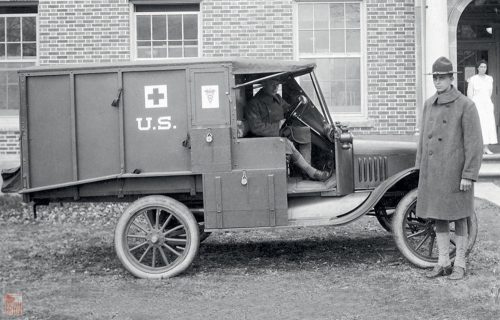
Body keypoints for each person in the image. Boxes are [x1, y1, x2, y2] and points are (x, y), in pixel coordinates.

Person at [416, 57, 483, 280]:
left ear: (451, 78)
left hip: (455, 173)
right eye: (435, 77)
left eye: (442, 77)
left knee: (460, 217)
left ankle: (460, 263)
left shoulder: (466, 105)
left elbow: (474, 143)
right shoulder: (428, 104)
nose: (437, 81)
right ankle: (443, 262)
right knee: (439, 217)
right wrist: (421, 169)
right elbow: (423, 142)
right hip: (434, 173)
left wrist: (469, 174)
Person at [244, 78, 330, 181]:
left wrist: (298, 101)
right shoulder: (254, 103)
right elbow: (256, 128)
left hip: (279, 132)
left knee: (304, 132)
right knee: (285, 143)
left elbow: (288, 109)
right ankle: (311, 171)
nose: (275, 87)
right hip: (263, 138)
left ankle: (306, 172)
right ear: (264, 84)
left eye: (277, 84)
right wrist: (277, 125)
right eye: (272, 84)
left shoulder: (277, 98)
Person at [467, 60, 498, 154]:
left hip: (487, 105)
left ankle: (486, 147)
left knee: (488, 125)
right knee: (479, 125)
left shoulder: (490, 79)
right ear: (478, 68)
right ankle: (477, 148)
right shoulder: (473, 79)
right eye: (481, 67)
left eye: (485, 67)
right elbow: (470, 95)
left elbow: (490, 92)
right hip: (477, 105)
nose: (483, 69)